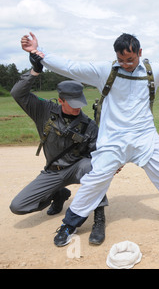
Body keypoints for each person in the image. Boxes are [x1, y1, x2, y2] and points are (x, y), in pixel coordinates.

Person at [21, 32, 159, 247]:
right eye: (121, 60)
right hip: (113, 140)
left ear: (140, 53)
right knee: (95, 181)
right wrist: (37, 51)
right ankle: (69, 224)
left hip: (145, 137)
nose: (126, 64)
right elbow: (70, 66)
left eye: (130, 59)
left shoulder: (152, 71)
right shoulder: (104, 71)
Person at [9, 53, 108, 245]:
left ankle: (99, 218)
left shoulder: (89, 125)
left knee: (95, 168)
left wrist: (108, 161)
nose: (78, 108)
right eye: (73, 104)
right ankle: (58, 193)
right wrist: (35, 71)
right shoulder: (43, 110)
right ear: (61, 100)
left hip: (77, 167)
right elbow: (17, 93)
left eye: (80, 102)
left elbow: (98, 153)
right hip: (53, 172)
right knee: (18, 206)